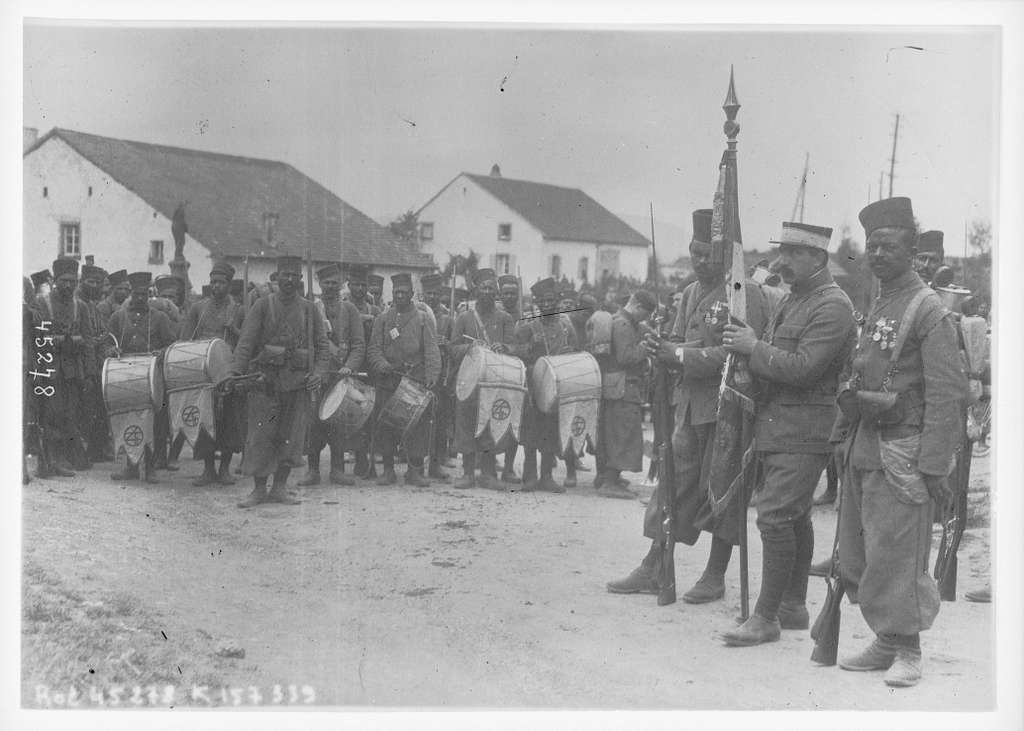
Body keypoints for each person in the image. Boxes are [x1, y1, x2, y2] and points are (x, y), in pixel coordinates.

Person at [829, 197, 966, 687]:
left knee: (900, 552)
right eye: (872, 246)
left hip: (905, 452)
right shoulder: (878, 300)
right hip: (866, 445)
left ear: (912, 249)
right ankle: (886, 639)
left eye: (889, 245)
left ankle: (909, 648)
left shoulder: (927, 308)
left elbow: (948, 391)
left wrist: (934, 467)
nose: (878, 254)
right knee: (863, 551)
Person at [607, 209, 770, 600]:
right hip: (689, 407)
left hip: (727, 408)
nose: (700, 261)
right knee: (673, 485)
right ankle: (654, 564)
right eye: (694, 252)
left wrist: (677, 355)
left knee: (723, 490)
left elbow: (735, 353)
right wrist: (659, 348)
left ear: (726, 255)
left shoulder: (745, 294)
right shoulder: (692, 292)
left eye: (708, 254)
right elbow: (679, 338)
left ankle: (714, 575)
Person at [720, 221, 857, 647]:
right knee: (794, 516)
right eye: (782, 252)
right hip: (779, 425)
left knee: (775, 515)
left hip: (806, 429)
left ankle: (765, 617)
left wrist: (752, 348)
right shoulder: (794, 300)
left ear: (818, 258)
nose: (781, 261)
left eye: (793, 254)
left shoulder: (832, 306)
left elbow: (804, 368)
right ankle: (793, 607)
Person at [229, 255, 331, 508]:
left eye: (294, 276)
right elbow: (246, 343)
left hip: (297, 386)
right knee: (261, 436)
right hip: (266, 384)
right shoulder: (263, 306)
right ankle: (259, 489)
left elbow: (322, 347)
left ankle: (280, 487)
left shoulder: (310, 309)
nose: (289, 280)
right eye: (284, 275)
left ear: (299, 280)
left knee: (291, 438)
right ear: (277, 277)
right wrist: (235, 373)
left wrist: (318, 372)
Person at [366, 273, 442, 486]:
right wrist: (383, 366)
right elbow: (373, 349)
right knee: (386, 425)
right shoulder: (383, 319)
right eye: (396, 292)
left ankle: (414, 471)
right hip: (388, 381)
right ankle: (388, 471)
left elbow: (431, 351)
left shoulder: (423, 319)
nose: (400, 296)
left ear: (411, 294)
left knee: (417, 426)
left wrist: (431, 376)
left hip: (414, 381)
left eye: (404, 292)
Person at [448, 269, 518, 490]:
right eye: (483, 288)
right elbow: (452, 347)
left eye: (491, 288)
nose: (487, 292)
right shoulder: (464, 318)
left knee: (491, 424)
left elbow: (514, 348)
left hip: (495, 381)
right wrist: (470, 347)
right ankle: (468, 473)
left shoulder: (505, 319)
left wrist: (504, 347)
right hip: (468, 380)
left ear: (495, 292)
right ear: (476, 291)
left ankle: (488, 474)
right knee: (467, 424)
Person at [179, 261, 247, 486]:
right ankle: (208, 469)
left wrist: (234, 330)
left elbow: (247, 342)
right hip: (202, 372)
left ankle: (225, 469)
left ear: (229, 284)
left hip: (227, 371)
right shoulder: (198, 308)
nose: (216, 286)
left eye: (221, 282)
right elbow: (184, 340)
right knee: (204, 420)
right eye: (213, 282)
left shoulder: (239, 310)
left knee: (228, 420)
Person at [298, 263, 366, 487]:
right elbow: (304, 342)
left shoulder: (351, 310)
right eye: (326, 283)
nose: (330, 287)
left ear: (341, 285)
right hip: (317, 375)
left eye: (334, 283)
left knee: (339, 424)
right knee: (313, 423)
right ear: (319, 284)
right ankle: (313, 470)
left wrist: (350, 365)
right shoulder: (310, 309)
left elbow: (358, 345)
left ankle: (337, 470)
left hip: (340, 376)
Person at [107, 271, 178, 483]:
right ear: (130, 293)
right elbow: (105, 341)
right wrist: (111, 350)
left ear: (148, 294)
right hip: (125, 375)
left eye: (143, 294)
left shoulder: (160, 317)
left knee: (154, 421)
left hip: (152, 375)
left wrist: (161, 352)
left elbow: (172, 345)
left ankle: (150, 468)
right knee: (128, 417)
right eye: (135, 294)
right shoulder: (118, 317)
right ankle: (130, 466)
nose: (139, 298)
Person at [515, 277, 578, 493]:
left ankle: (547, 477)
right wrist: (530, 350)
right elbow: (517, 354)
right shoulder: (528, 327)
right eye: (543, 301)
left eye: (551, 300)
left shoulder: (566, 327)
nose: (547, 304)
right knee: (531, 433)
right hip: (534, 386)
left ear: (557, 302)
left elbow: (576, 351)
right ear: (537, 303)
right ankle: (529, 477)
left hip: (557, 388)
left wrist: (570, 354)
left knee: (551, 432)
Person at [33, 258, 96, 475]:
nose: (68, 286)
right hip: (49, 368)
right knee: (51, 414)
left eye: (72, 281)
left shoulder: (82, 307)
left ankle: (66, 456)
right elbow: (37, 338)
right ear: (55, 281)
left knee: (70, 413)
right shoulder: (43, 303)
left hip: (73, 370)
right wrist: (64, 340)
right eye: (63, 281)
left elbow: (89, 342)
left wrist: (90, 373)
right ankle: (52, 461)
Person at [594, 290, 656, 499]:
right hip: (623, 387)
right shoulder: (623, 324)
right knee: (622, 433)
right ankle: (610, 481)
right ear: (637, 306)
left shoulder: (621, 321)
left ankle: (609, 477)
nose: (645, 319)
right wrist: (645, 347)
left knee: (614, 432)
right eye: (645, 314)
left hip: (617, 387)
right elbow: (625, 357)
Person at [343, 264, 382, 478]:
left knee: (371, 413)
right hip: (350, 364)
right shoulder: (343, 308)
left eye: (363, 285)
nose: (359, 289)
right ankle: (358, 456)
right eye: (355, 284)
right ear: (349, 285)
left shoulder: (374, 310)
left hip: (371, 365)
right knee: (353, 410)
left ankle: (369, 459)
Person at [77, 264, 113, 463]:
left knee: (98, 408)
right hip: (80, 364)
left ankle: (96, 449)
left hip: (97, 364)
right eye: (91, 282)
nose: (95, 286)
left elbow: (102, 333)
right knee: (84, 409)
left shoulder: (94, 306)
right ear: (82, 282)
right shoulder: (77, 304)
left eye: (98, 283)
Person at [421, 273, 454, 481]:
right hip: (421, 374)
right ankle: (415, 463)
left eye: (435, 293)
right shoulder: (418, 314)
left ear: (440, 295)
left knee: (440, 421)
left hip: (442, 377)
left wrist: (446, 344)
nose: (432, 297)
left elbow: (458, 345)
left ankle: (436, 463)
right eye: (428, 294)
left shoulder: (448, 319)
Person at [496, 274, 525, 484]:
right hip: (494, 372)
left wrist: (510, 349)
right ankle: (486, 463)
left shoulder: (525, 317)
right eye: (505, 293)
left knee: (514, 421)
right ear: (500, 294)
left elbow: (527, 347)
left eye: (513, 293)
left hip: (516, 373)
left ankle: (508, 467)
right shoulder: (493, 315)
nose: (509, 297)